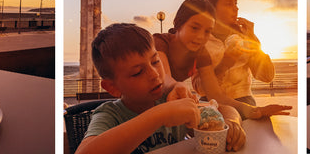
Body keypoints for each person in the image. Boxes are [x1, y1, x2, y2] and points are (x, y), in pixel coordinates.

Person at [77, 23, 244, 154]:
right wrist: (161, 115)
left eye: (156, 61)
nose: (154, 74)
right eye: (137, 72)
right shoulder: (110, 115)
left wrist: (232, 124)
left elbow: (224, 110)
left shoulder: (171, 100)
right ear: (112, 87)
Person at [154, 0, 290, 123]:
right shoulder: (159, 42)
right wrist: (175, 86)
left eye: (207, 31)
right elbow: (163, 77)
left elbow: (217, 95)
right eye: (195, 28)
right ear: (178, 23)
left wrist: (256, 110)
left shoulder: (201, 52)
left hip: (169, 102)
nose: (201, 36)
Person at [200, 0, 280, 108]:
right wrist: (224, 64)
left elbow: (267, 76)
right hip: (209, 102)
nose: (236, 8)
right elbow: (200, 88)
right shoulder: (200, 40)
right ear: (211, 8)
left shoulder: (244, 37)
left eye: (236, 3)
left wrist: (253, 40)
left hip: (243, 101)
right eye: (228, 4)